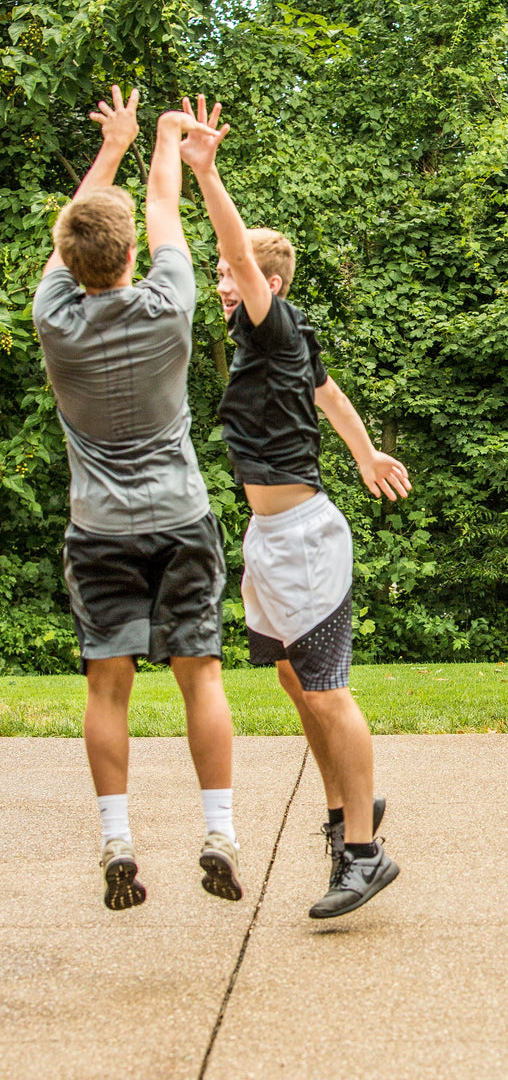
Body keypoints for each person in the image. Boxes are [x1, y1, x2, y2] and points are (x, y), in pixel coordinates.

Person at [178, 95, 410, 920]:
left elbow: (237, 251)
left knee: (327, 691)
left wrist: (207, 173)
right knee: (290, 676)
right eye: (219, 277)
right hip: (270, 537)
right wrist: (365, 452)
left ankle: (364, 854)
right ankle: (349, 808)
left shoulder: (270, 321)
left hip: (304, 537)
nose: (222, 284)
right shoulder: (280, 339)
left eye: (231, 275)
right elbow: (329, 393)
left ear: (266, 283)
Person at [33, 88, 241, 910]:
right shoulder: (171, 302)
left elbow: (76, 232)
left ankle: (117, 839)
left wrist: (110, 145)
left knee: (106, 686)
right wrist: (162, 139)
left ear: (72, 258)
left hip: (99, 529)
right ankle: (219, 831)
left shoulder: (55, 320)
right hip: (180, 517)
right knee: (201, 674)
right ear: (129, 258)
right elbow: (162, 206)